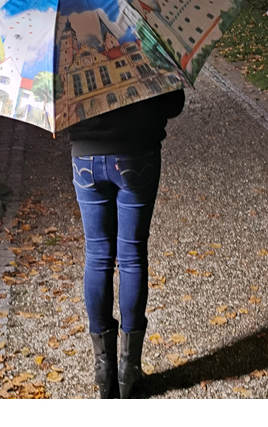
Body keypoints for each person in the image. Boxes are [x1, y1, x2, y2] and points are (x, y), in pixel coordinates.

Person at [67, 89, 185, 399]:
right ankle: (128, 369)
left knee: (97, 256)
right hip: (137, 152)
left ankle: (103, 367)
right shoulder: (146, 41)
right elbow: (174, 104)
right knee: (132, 256)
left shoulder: (66, 44)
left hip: (86, 155)